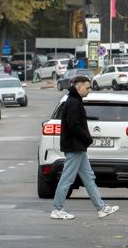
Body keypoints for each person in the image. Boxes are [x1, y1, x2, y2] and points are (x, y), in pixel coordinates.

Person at [50, 74, 119, 220]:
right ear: (79, 86)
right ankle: (57, 209)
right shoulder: (73, 102)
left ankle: (101, 208)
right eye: (87, 87)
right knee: (67, 179)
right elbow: (74, 125)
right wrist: (87, 138)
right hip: (74, 147)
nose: (89, 90)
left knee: (88, 178)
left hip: (77, 147)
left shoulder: (74, 100)